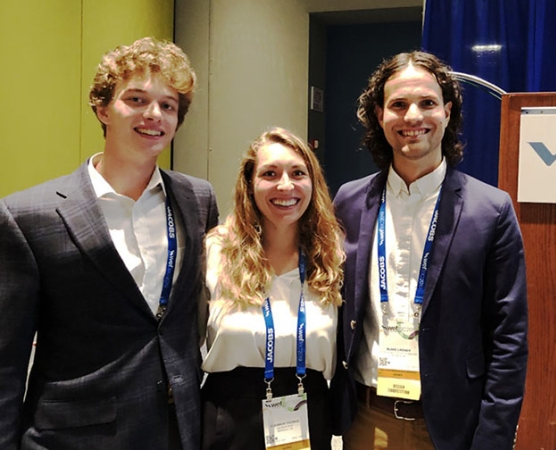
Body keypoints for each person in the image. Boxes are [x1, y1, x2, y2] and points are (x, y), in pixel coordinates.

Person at [0, 37, 219, 449]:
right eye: (136, 99)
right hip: (74, 437)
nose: (153, 114)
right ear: (102, 109)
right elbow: (6, 361)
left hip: (178, 429)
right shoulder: (28, 215)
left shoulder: (198, 199)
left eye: (168, 105)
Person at [331, 51, 528, 449]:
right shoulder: (348, 202)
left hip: (454, 427)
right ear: (379, 114)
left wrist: (493, 437)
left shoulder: (490, 210)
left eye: (427, 103)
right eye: (398, 105)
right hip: (368, 421)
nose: (412, 117)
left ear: (447, 111)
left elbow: (509, 337)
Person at [200, 127, 344, 450]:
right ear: (249, 184)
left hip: (308, 414)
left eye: (297, 173)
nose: (285, 185)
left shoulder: (332, 258)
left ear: (313, 183)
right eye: (270, 173)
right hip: (230, 418)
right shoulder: (216, 252)